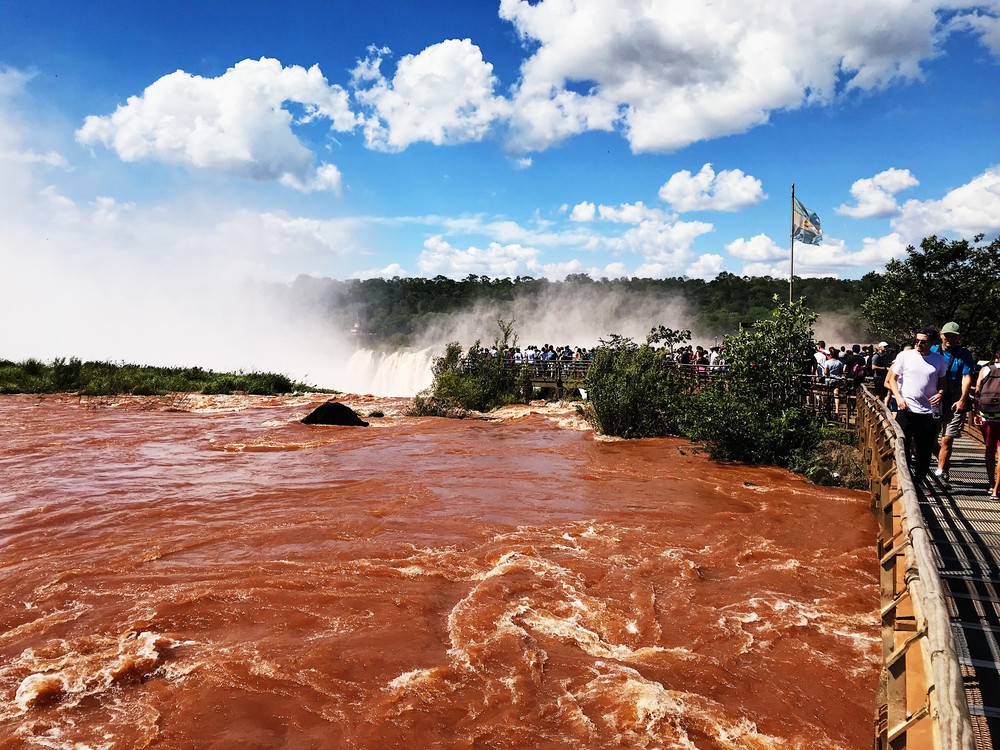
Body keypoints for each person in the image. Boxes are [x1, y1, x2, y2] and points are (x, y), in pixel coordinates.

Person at [886, 328, 948, 481]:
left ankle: (919, 479)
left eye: (923, 341)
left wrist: (940, 393)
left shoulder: (939, 360)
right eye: (916, 340)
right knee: (902, 443)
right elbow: (892, 379)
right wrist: (898, 398)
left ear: (932, 343)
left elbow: (943, 384)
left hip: (928, 411)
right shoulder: (904, 356)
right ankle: (905, 477)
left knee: (924, 448)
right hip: (906, 408)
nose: (919, 344)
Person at [929, 321, 976, 483]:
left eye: (953, 336)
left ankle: (941, 471)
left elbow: (966, 377)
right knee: (929, 439)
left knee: (947, 438)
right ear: (941, 335)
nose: (949, 338)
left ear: (958, 338)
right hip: (934, 399)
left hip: (954, 399)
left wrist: (963, 399)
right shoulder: (933, 351)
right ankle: (945, 463)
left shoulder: (964, 354)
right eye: (947, 335)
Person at [973, 345, 1000, 499]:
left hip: (987, 415)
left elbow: (977, 391)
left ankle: (991, 483)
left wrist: (976, 412)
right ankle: (997, 490)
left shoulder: (985, 370)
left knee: (990, 449)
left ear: (996, 355)